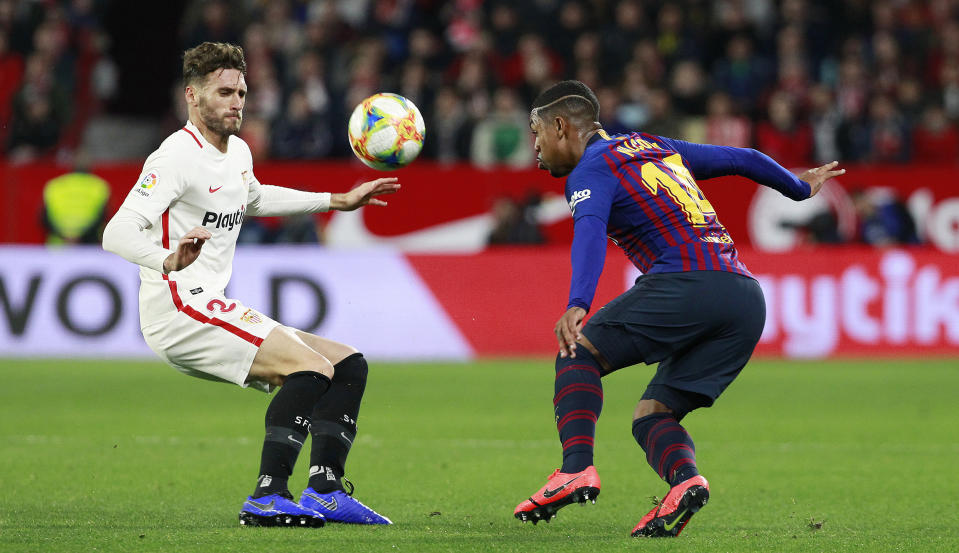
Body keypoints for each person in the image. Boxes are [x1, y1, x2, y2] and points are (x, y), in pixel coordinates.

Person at [512, 80, 844, 537]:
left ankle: (575, 469)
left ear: (560, 125)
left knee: (577, 353)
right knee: (654, 414)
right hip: (744, 298)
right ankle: (684, 483)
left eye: (536, 133)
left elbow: (589, 233)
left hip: (687, 282)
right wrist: (799, 190)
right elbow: (742, 158)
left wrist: (577, 304)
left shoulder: (589, 171)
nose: (535, 147)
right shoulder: (653, 145)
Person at [101, 42, 398, 528]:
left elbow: (254, 198)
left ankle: (324, 489)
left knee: (347, 366)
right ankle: (267, 495)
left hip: (209, 302)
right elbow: (117, 231)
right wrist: (167, 259)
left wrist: (335, 200)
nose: (237, 101)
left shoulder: (237, 150)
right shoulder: (174, 156)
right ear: (192, 97)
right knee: (310, 370)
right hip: (177, 306)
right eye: (224, 92)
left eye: (241, 90)